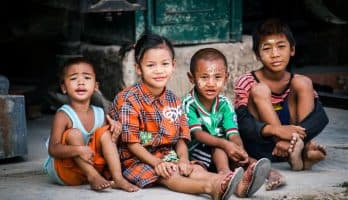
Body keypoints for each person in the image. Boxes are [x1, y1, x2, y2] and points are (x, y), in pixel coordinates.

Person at [109, 33, 245, 200]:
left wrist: (183, 159)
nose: (159, 70)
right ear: (139, 68)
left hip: (166, 155)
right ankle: (211, 188)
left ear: (173, 65)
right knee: (171, 176)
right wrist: (157, 163)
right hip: (136, 160)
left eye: (165, 64)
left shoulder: (173, 100)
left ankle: (238, 186)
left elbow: (181, 137)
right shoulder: (129, 99)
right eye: (151, 65)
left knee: (195, 170)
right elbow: (132, 143)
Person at [234, 18, 328, 175]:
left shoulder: (297, 82)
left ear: (292, 50)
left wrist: (297, 139)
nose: (275, 54)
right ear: (257, 55)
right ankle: (299, 151)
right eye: (267, 49)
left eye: (281, 46)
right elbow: (242, 122)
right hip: (263, 146)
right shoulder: (247, 81)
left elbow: (320, 117)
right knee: (260, 90)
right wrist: (277, 132)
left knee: (303, 82)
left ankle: (300, 149)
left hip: (294, 144)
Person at [182, 47, 272, 197]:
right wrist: (226, 145)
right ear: (192, 78)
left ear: (226, 77)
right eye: (204, 77)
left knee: (236, 152)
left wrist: (239, 148)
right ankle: (226, 175)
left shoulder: (225, 103)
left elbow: (233, 133)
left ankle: (248, 178)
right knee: (221, 145)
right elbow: (197, 134)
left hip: (221, 151)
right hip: (196, 153)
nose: (211, 83)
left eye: (217, 77)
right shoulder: (189, 103)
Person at [43, 57, 139, 192]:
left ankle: (118, 178)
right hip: (66, 171)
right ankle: (93, 176)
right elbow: (53, 149)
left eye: (87, 78)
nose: (81, 82)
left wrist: (115, 127)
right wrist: (78, 150)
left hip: (94, 166)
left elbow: (109, 144)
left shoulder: (100, 113)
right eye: (73, 78)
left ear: (96, 86)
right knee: (74, 133)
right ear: (64, 87)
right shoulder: (63, 115)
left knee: (106, 133)